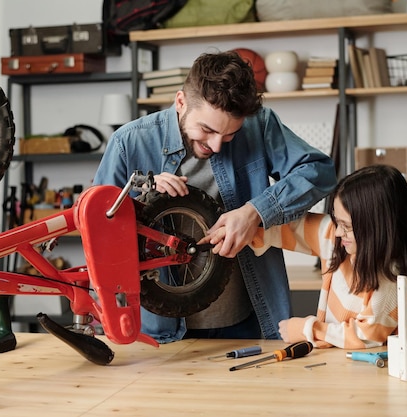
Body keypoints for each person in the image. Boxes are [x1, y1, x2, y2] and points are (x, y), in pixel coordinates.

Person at [93, 50, 336, 343]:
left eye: (230, 135)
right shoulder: (129, 142)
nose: (217, 146)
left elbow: (319, 172)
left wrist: (256, 212)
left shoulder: (259, 125)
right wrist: (140, 195)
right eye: (206, 130)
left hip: (243, 323)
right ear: (181, 102)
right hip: (159, 332)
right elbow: (95, 229)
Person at [204, 164, 407, 349]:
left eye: (346, 226)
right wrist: (239, 229)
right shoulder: (335, 235)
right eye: (337, 221)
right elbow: (284, 228)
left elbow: (367, 336)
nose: (338, 232)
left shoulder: (390, 281)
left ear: (377, 228)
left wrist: (307, 329)